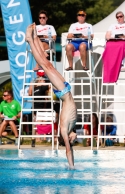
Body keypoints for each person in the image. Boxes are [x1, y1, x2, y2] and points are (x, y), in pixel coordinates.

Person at [25, 23, 77, 169]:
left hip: (63, 92)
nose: (75, 140)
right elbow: (71, 148)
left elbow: (68, 149)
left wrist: (71, 166)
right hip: (66, 89)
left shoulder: (64, 132)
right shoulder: (71, 128)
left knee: (44, 64)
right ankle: (34, 37)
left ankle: (30, 39)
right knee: (47, 64)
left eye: (73, 141)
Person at [103, 11, 125, 82]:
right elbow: (107, 35)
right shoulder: (112, 25)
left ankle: (121, 64)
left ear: (123, 16)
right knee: (108, 46)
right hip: (113, 40)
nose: (119, 18)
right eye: (117, 17)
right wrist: (110, 37)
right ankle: (109, 64)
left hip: (123, 40)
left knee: (121, 46)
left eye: (120, 16)